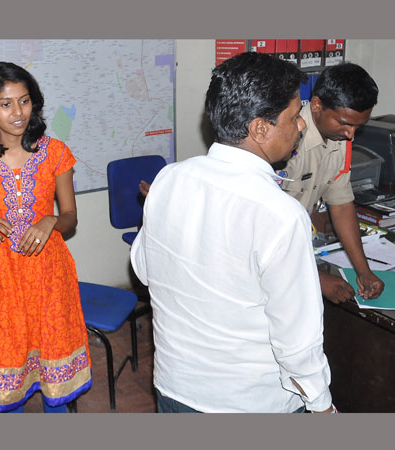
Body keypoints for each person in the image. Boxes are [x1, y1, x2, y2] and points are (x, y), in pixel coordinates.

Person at [130, 52, 335, 413]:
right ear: (260, 129)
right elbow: (297, 340)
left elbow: (145, 270)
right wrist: (321, 403)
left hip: (175, 388)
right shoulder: (280, 215)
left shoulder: (169, 179)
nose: (302, 125)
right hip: (250, 401)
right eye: (294, 116)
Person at [0, 62, 92, 413]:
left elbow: (70, 217)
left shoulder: (56, 152)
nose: (18, 112)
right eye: (6, 104)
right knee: (8, 367)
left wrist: (51, 221)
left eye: (24, 101)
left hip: (48, 274)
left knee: (54, 364)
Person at [277, 62, 383, 304]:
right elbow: (262, 229)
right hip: (268, 260)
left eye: (358, 126)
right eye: (344, 123)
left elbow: (341, 203)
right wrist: (316, 278)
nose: (351, 134)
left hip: (295, 251)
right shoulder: (285, 142)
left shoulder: (340, 140)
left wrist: (364, 271)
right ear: (316, 105)